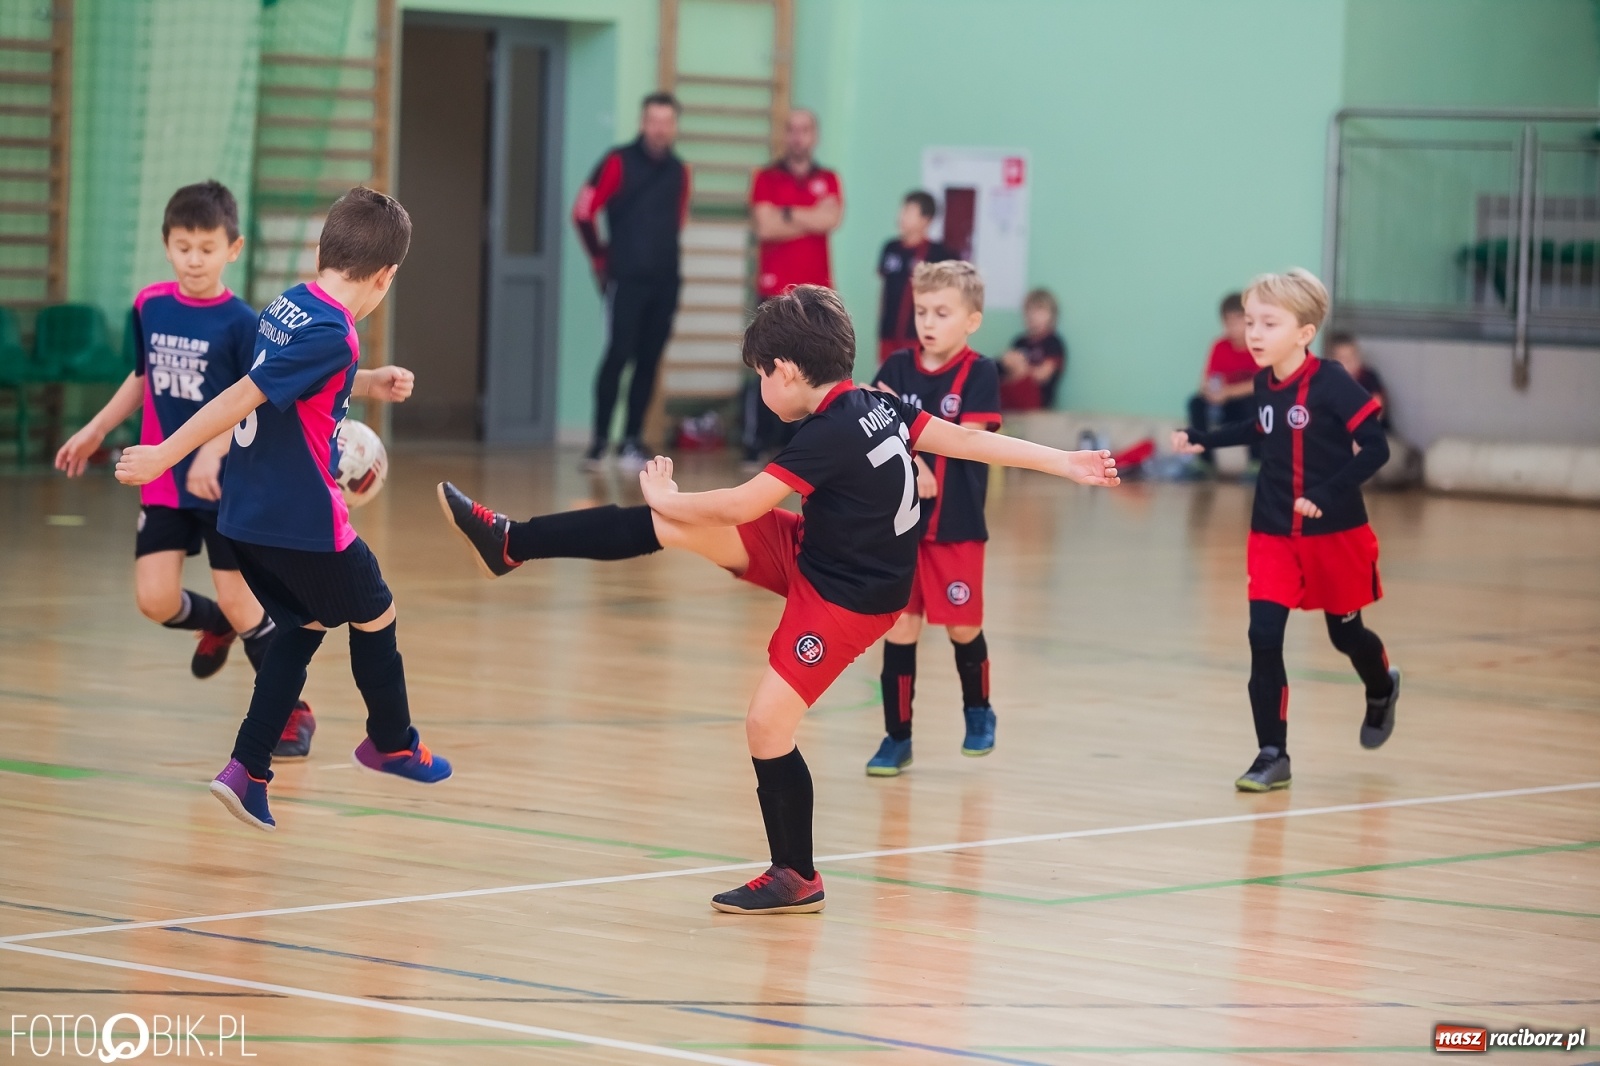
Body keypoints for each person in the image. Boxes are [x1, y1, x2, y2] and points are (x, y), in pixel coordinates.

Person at [437, 284, 1120, 914]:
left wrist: (669, 490)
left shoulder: (827, 434)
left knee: (766, 724)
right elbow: (967, 440)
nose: (760, 384)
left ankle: (797, 874)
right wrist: (1063, 462)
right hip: (817, 552)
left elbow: (740, 501)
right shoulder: (876, 403)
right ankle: (511, 543)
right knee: (670, 528)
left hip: (849, 599)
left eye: (760, 373)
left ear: (786, 373)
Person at [115, 187, 452, 831]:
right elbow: (244, 394)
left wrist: (369, 382)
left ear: (322, 251)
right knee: (376, 610)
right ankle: (392, 742)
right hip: (299, 520)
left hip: (242, 518)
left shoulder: (290, 305)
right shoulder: (336, 331)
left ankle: (246, 769)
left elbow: (289, 380)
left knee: (304, 626)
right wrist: (165, 454)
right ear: (386, 276)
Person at [54, 180, 316, 759]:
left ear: (233, 248)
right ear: (166, 245)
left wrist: (212, 450)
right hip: (164, 479)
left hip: (225, 484)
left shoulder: (244, 323)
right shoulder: (150, 304)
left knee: (247, 603)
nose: (193, 259)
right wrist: (96, 429)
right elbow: (142, 377)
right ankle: (216, 621)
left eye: (206, 247)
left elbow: (254, 397)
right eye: (182, 246)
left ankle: (292, 711)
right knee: (154, 600)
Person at [1172, 269, 1400, 793]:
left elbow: (1377, 448)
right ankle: (1272, 753)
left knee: (1346, 634)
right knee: (1263, 636)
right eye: (1250, 321)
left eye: (1268, 323)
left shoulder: (1333, 382)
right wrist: (1204, 437)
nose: (1254, 333)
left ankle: (1381, 685)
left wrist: (1327, 494)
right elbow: (1260, 427)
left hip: (1334, 534)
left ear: (1304, 332)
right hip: (1272, 529)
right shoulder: (1263, 381)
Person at [867, 261, 1002, 776]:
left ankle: (979, 710)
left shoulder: (980, 373)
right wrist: (914, 461)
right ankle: (895, 738)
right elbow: (873, 419)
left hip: (957, 528)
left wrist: (915, 448)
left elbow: (964, 439)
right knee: (900, 630)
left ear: (971, 320)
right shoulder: (898, 367)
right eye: (922, 311)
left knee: (963, 629)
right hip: (902, 528)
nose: (929, 322)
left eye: (942, 313)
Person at [573, 92, 691, 471]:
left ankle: (632, 441)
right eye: (653, 121)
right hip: (625, 279)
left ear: (674, 126)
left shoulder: (679, 171)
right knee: (617, 355)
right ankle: (598, 442)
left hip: (666, 280)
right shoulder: (617, 161)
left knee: (649, 360)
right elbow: (583, 212)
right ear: (643, 123)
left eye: (666, 122)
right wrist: (600, 259)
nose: (659, 129)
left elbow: (678, 221)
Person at [742, 109, 842, 466]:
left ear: (814, 136)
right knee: (766, 367)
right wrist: (809, 215)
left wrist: (787, 213)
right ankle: (756, 442)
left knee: (813, 370)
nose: (798, 136)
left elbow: (831, 218)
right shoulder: (766, 178)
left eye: (805, 130)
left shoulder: (829, 178)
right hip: (773, 289)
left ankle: (802, 443)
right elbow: (766, 227)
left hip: (816, 294)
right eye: (792, 130)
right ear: (785, 135)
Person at [875, 191, 955, 364]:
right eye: (902, 210)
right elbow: (884, 291)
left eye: (909, 212)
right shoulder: (890, 247)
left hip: (918, 336)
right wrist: (881, 328)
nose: (902, 216)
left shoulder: (937, 253)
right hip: (888, 334)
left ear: (926, 220)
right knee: (885, 386)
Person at [1186, 292, 1260, 469]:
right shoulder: (1220, 346)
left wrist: (1228, 392)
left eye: (1238, 321)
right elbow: (1209, 378)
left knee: (1257, 404)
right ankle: (1204, 461)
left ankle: (1257, 461)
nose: (1233, 327)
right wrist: (1209, 391)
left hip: (1246, 406)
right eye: (1228, 322)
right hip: (1225, 406)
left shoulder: (1259, 345)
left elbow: (1260, 383)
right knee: (1196, 403)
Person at [998, 288, 1067, 411]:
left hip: (1038, 401)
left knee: (1014, 361)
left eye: (1039, 311)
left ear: (1052, 315)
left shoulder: (1053, 342)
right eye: (1029, 310)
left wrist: (1021, 368)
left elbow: (1043, 375)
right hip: (1012, 395)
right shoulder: (1019, 341)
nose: (1033, 316)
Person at [1324, 331, 1388, 426]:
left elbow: (1377, 407)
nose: (1349, 362)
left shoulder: (1368, 376)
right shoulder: (1327, 380)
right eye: (1343, 358)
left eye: (1353, 356)